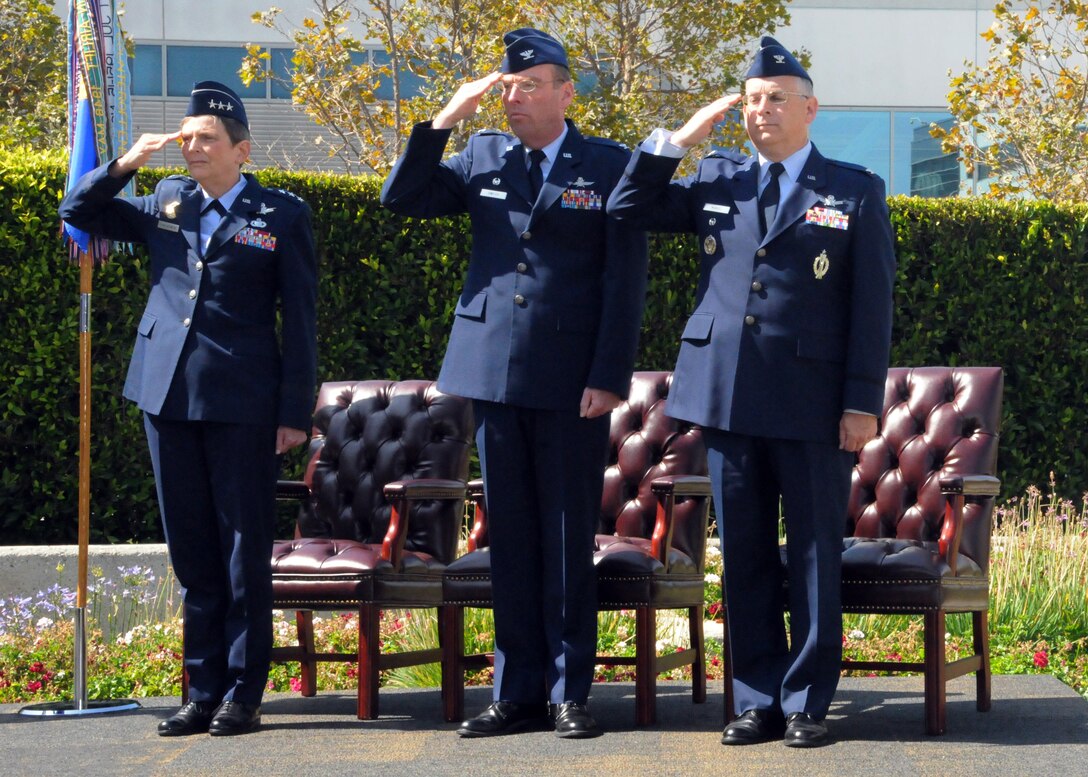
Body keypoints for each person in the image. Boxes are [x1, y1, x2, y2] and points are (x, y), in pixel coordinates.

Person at [607, 37, 895, 747]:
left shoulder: (853, 189)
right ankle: (756, 697)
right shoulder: (719, 178)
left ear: (810, 107)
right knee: (745, 553)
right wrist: (678, 139)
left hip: (812, 401)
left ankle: (806, 703)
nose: (761, 111)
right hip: (727, 396)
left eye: (775, 98)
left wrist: (861, 402)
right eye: (752, 99)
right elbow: (627, 206)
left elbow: (872, 305)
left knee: (813, 553)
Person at [381, 28, 648, 739]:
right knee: (514, 540)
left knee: (564, 538)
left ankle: (569, 692)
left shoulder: (608, 164)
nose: (515, 98)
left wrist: (608, 376)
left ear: (566, 91)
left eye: (530, 86)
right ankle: (515, 690)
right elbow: (400, 197)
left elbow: (625, 282)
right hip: (494, 374)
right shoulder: (480, 155)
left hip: (570, 382)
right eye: (507, 87)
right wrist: (442, 123)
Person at [59, 81, 318, 737]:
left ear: (241, 149)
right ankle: (201, 690)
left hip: (242, 402)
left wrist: (294, 411)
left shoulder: (280, 214)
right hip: (167, 394)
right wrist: (125, 164)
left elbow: (304, 322)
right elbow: (79, 207)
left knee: (240, 551)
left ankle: (242, 692)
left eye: (206, 138)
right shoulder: (167, 200)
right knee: (192, 551)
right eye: (187, 137)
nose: (192, 147)